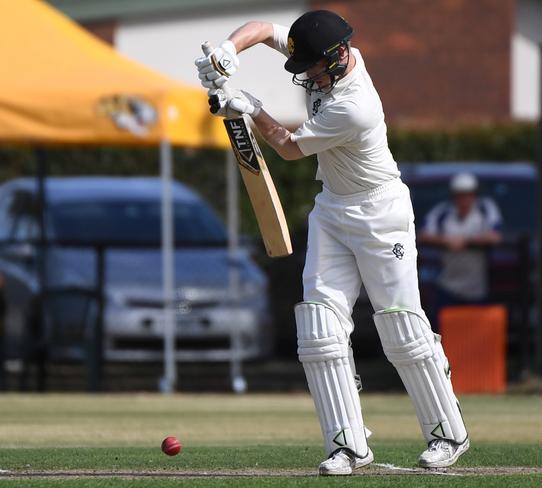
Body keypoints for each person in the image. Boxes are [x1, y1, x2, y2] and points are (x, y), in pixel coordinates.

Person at [194, 10, 468, 475]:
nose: (307, 77)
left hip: (381, 213)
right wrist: (226, 52)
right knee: (319, 328)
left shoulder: (354, 105)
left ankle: (447, 433)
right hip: (333, 209)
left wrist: (249, 107)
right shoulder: (322, 53)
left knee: (400, 326)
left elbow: (287, 147)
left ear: (337, 60)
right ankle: (347, 445)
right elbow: (263, 30)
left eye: (313, 70)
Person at [418, 172, 503, 330]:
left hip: (476, 288)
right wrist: (445, 241)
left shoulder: (485, 209)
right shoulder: (443, 213)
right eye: (460, 195)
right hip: (448, 285)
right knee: (440, 330)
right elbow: (423, 235)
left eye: (468, 194)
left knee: (476, 334)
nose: (464, 199)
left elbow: (495, 237)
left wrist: (466, 241)